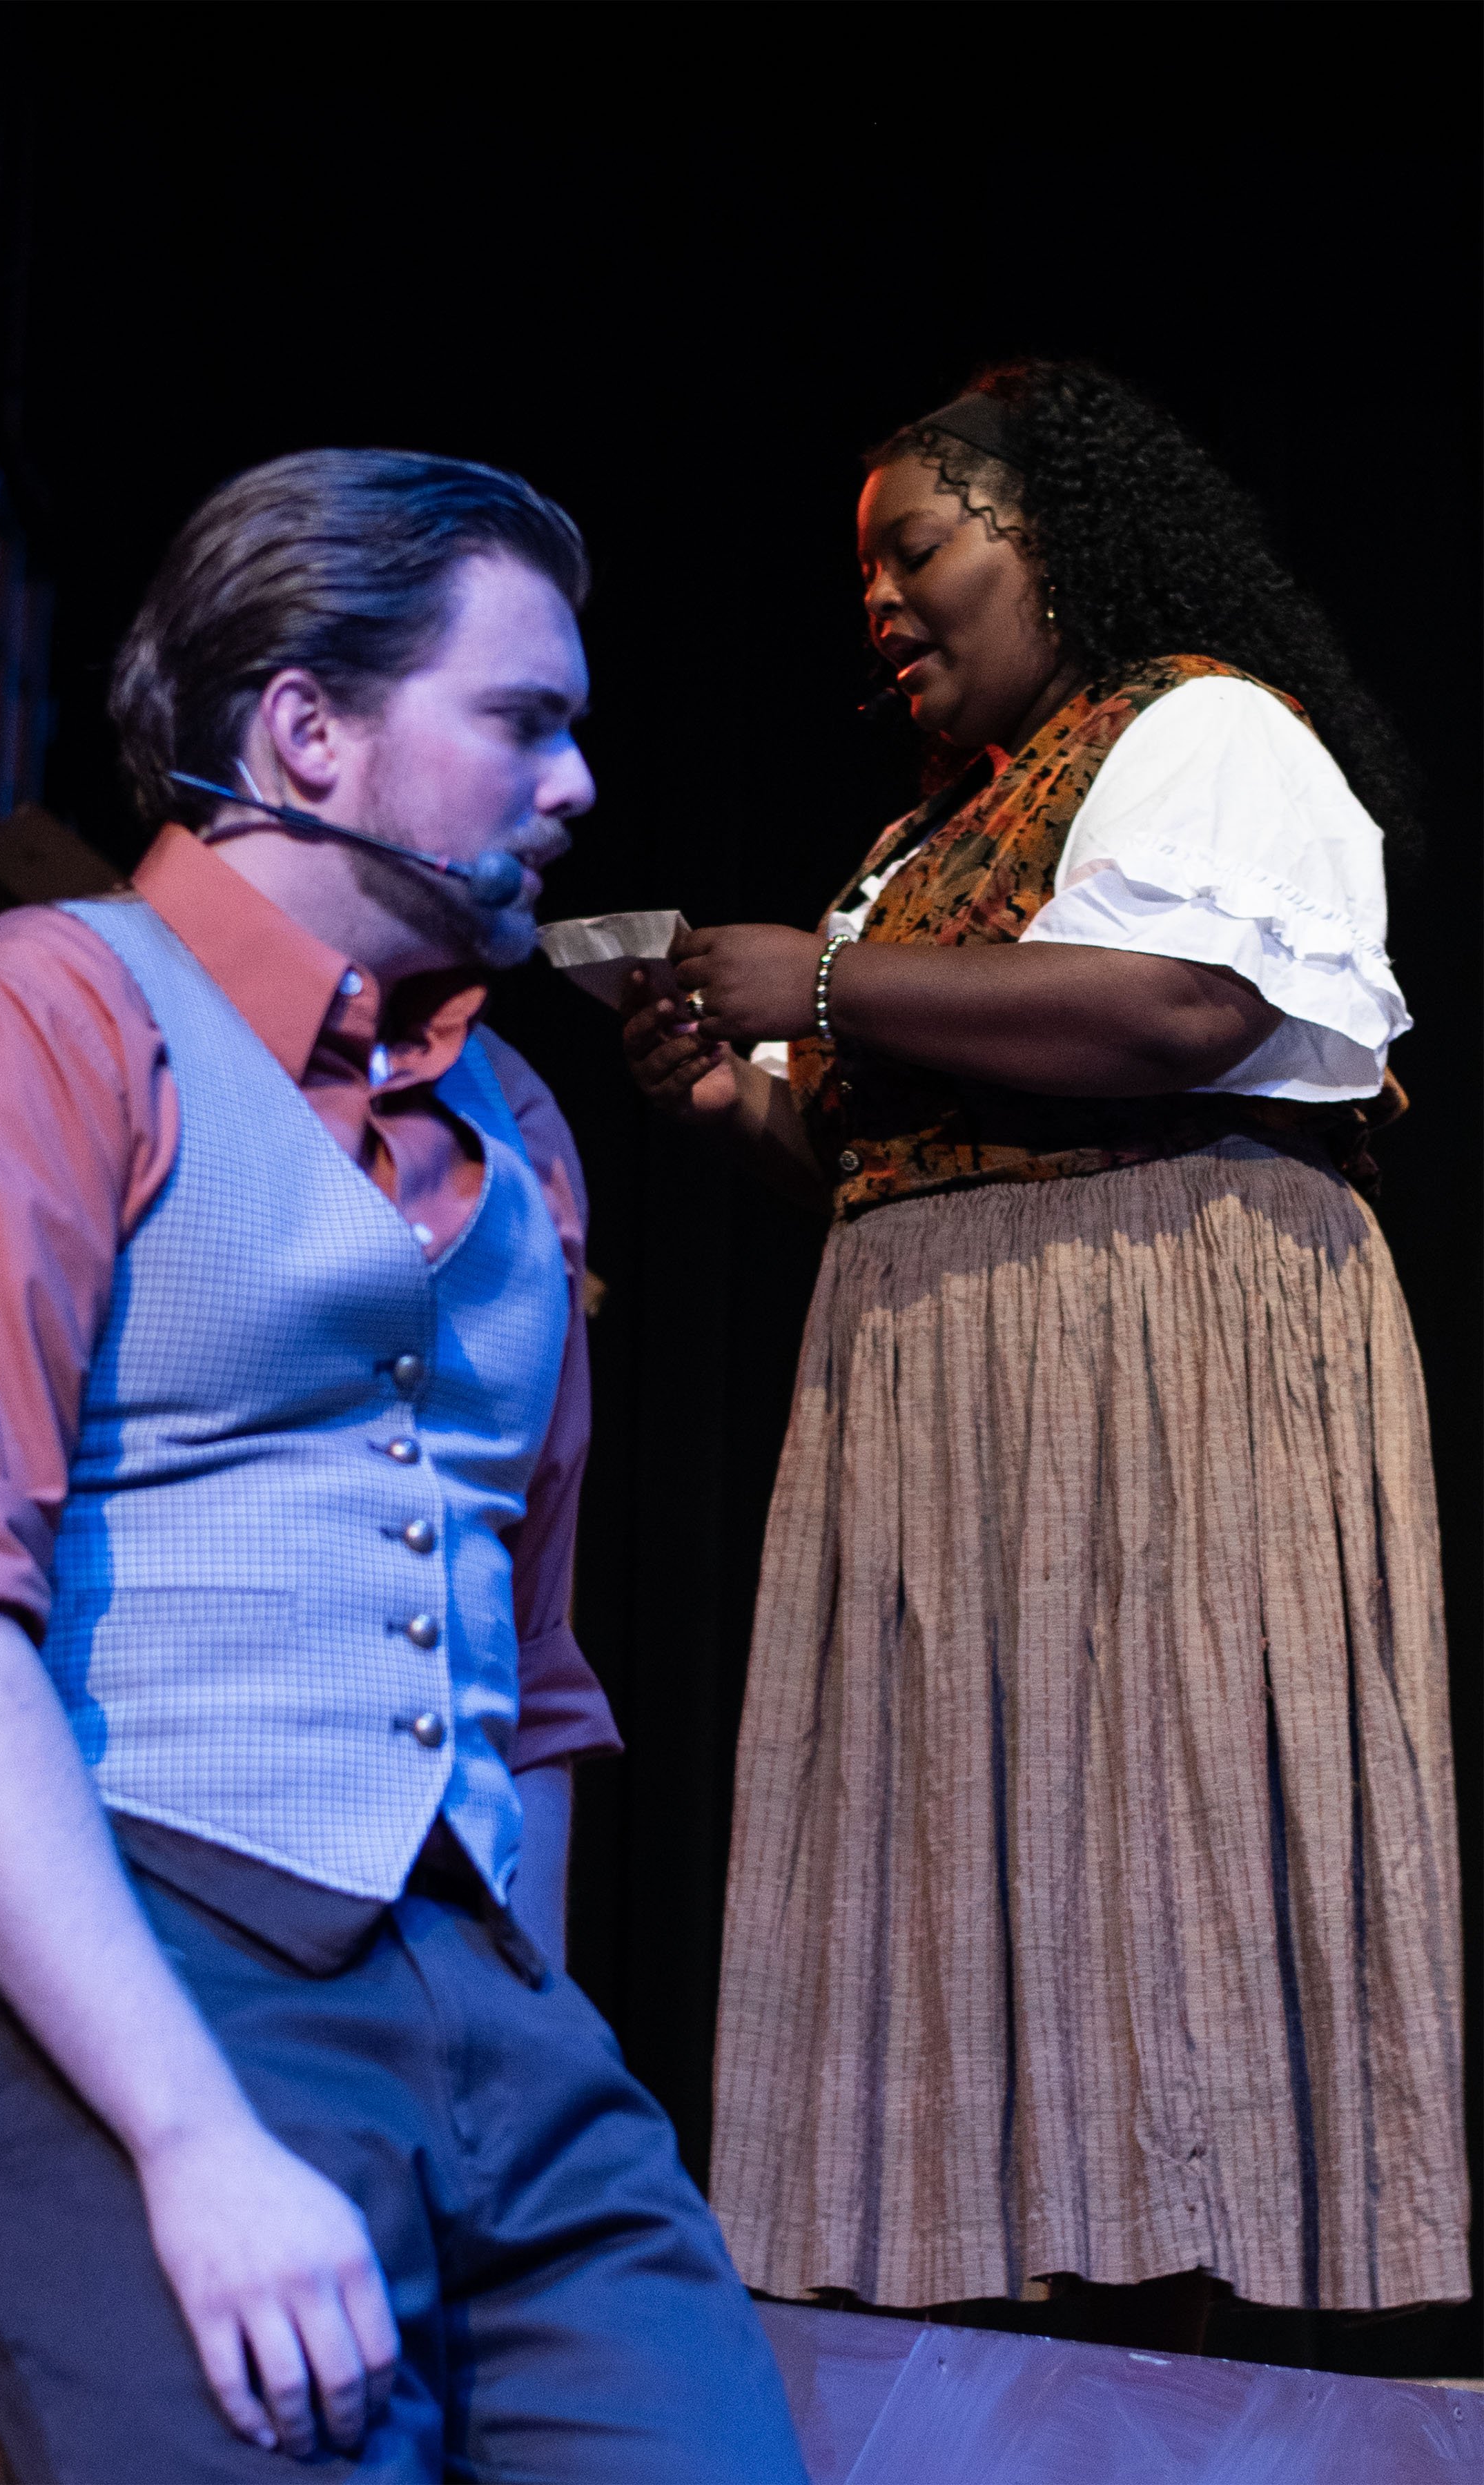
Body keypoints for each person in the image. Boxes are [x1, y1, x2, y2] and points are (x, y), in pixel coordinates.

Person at [0, 449, 809, 2484]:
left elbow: (530, 1677)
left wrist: (528, 2012)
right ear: (308, 730)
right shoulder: (25, 1021)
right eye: (522, 720)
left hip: (495, 2017)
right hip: (135, 1955)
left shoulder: (524, 1125)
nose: (579, 785)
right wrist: (187, 2131)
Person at [622, 362, 1467, 2352]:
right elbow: (871, 1129)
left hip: (1154, 1338)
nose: (886, 607)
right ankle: (987, 2348)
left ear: (1045, 538)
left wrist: (817, 980)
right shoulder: (933, 833)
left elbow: (1180, 1001)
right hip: (944, 1376)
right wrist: (739, 1098)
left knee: (1154, 1848)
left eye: (914, 551)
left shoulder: (1199, 734)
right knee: (964, 1888)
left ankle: (1208, 2346)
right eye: (864, 583)